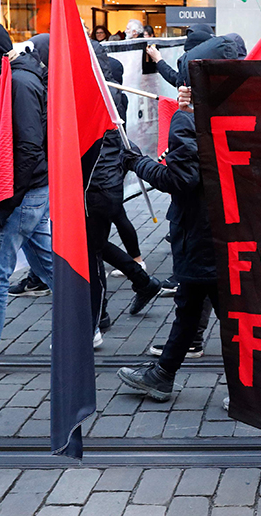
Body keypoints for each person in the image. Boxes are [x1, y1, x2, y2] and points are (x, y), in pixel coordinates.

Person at [116, 38, 241, 399]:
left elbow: (180, 180)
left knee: (221, 316)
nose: (182, 86)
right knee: (191, 305)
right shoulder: (235, 112)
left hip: (199, 233)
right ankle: (163, 374)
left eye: (187, 79)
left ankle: (242, 387)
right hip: (228, 228)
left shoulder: (189, 121)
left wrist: (136, 161)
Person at [0, 27, 54, 379]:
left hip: (20, 191)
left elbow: (29, 146)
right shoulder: (9, 73)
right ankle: (88, 325)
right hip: (31, 188)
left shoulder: (19, 82)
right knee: (50, 264)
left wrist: (7, 199)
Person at [84, 41, 163, 346]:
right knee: (97, 244)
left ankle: (97, 318)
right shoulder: (104, 89)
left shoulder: (97, 92)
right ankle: (142, 281)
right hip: (104, 180)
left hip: (98, 183)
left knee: (93, 249)